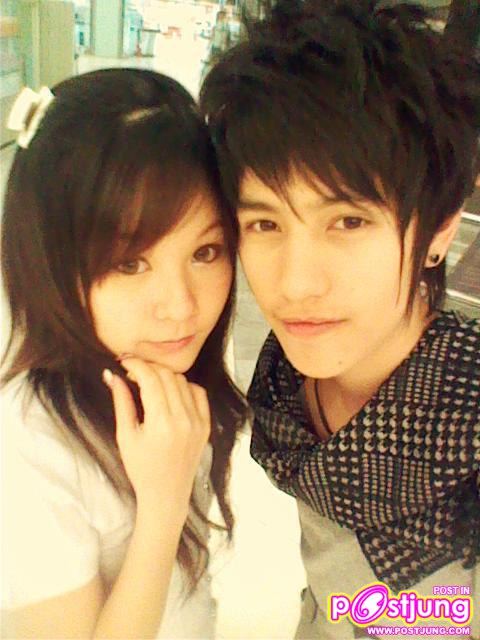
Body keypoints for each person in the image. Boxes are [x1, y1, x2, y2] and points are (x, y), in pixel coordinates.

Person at [200, 1, 480, 638]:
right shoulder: (281, 379)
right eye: (265, 223)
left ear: (439, 229)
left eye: (348, 221)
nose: (296, 285)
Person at [1, 68, 246, 639]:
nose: (181, 306)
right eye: (131, 263)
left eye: (206, 252)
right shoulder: (28, 447)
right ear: (50, 263)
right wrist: (163, 502)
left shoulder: (170, 375)